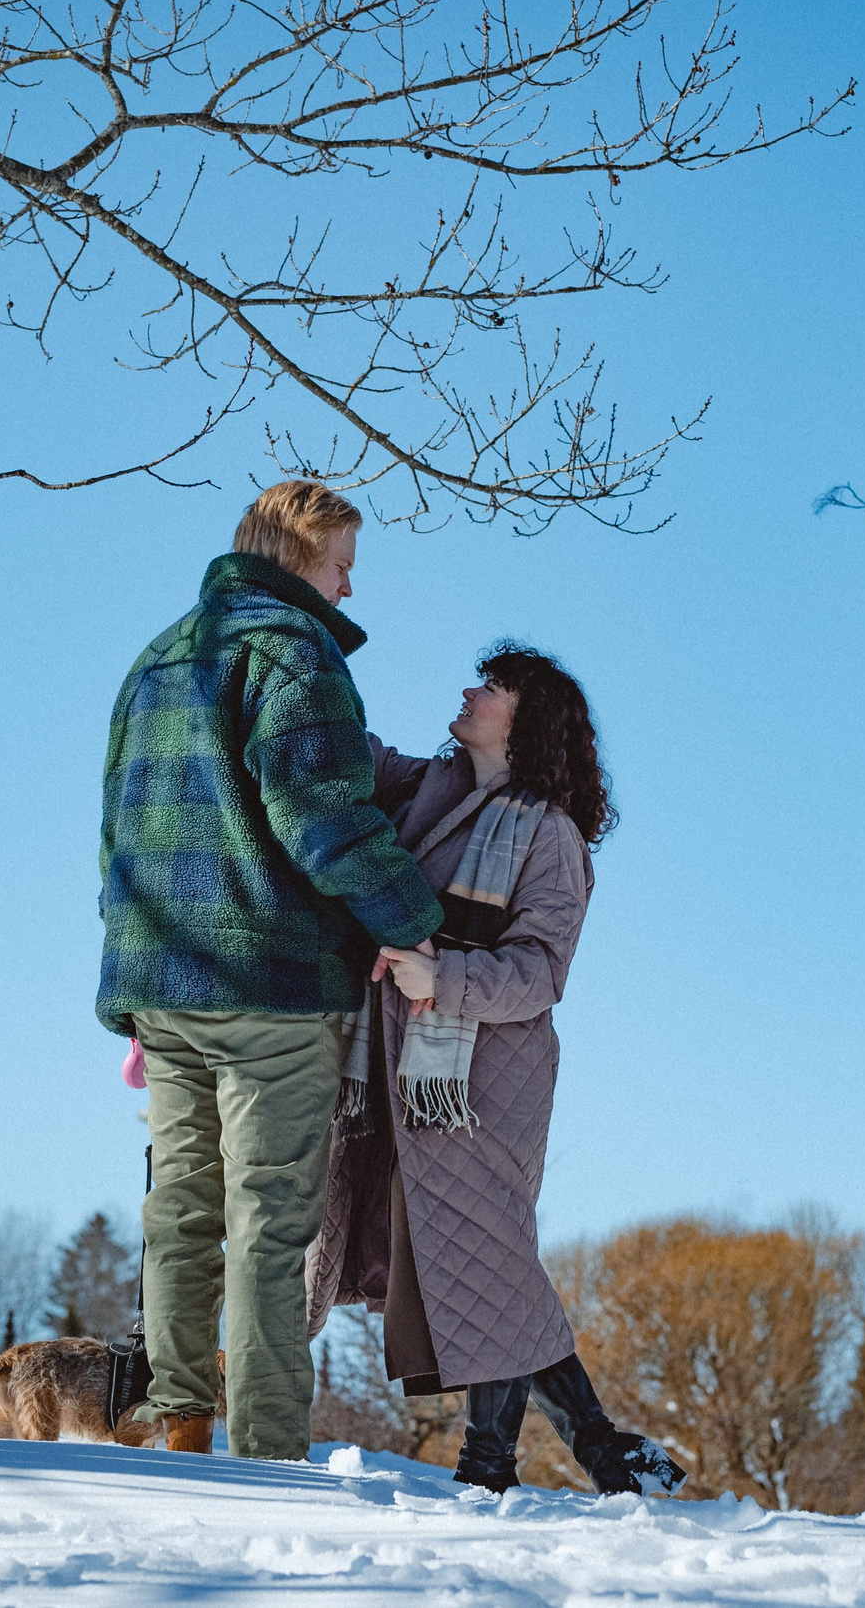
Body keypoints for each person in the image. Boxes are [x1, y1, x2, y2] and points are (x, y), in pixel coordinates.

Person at [97, 479, 445, 1462]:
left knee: (180, 1214)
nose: (347, 591)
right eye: (341, 568)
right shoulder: (295, 656)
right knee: (268, 1225)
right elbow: (321, 818)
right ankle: (265, 1447)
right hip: (270, 983)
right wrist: (412, 921)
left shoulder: (158, 656)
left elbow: (116, 829)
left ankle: (178, 1422)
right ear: (300, 558)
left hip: (162, 978)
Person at [304, 641, 686, 1497]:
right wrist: (306, 659)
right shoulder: (427, 787)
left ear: (527, 722)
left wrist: (444, 978)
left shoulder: (550, 837)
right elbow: (350, 750)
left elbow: (541, 972)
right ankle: (601, 1449)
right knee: (482, 1266)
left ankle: (489, 1469)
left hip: (482, 1081)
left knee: (493, 1261)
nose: (470, 689)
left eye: (494, 686)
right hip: (404, 1073)